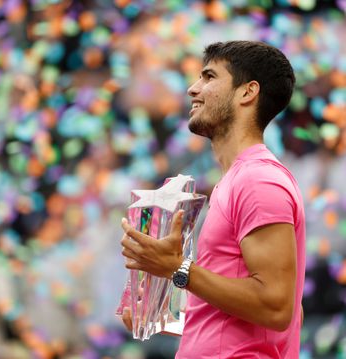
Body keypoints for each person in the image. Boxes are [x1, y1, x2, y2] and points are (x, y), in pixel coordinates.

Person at [120, 41, 306, 358]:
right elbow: (248, 318)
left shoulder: (257, 181)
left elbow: (276, 307)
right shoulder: (237, 179)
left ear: (247, 92)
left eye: (209, 77)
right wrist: (160, 316)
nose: (193, 89)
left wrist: (178, 268)